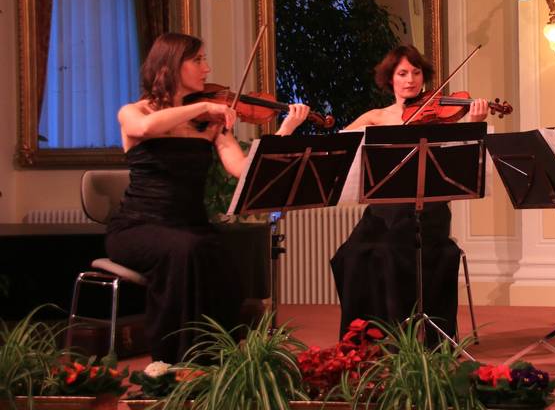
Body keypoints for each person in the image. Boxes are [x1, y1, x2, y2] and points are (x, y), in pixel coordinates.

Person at [107, 32, 310, 362]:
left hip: (190, 227)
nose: (207, 68)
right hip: (137, 227)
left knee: (225, 254)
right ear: (172, 65)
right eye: (198, 60)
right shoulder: (134, 112)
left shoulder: (211, 123)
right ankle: (171, 360)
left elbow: (243, 168)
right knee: (187, 250)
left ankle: (215, 358)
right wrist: (202, 106)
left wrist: (285, 131)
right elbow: (145, 130)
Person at [331, 44, 488, 339]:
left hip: (428, 211)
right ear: (390, 78)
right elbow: (340, 146)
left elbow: (462, 157)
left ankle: (404, 337)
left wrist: (474, 122)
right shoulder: (376, 117)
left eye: (416, 72)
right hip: (383, 210)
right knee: (349, 256)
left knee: (390, 253)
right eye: (402, 73)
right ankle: (366, 337)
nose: (410, 79)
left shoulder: (439, 115)